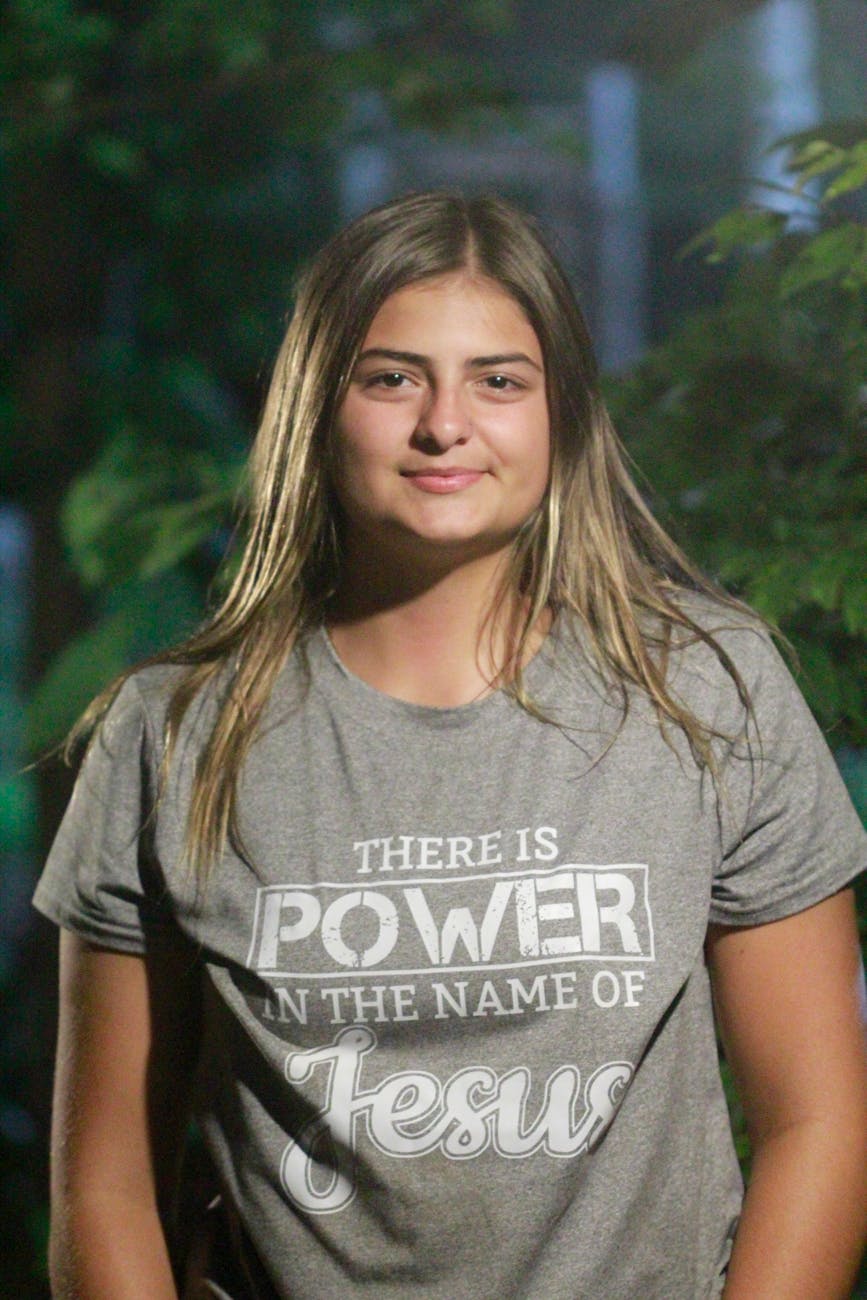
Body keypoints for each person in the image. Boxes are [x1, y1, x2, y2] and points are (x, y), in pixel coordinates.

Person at [35, 191, 867, 1299]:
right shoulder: (171, 734)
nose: (444, 424)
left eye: (499, 379)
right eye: (391, 377)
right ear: (315, 407)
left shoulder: (709, 690)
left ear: (561, 412)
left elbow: (820, 1121)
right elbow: (104, 1186)